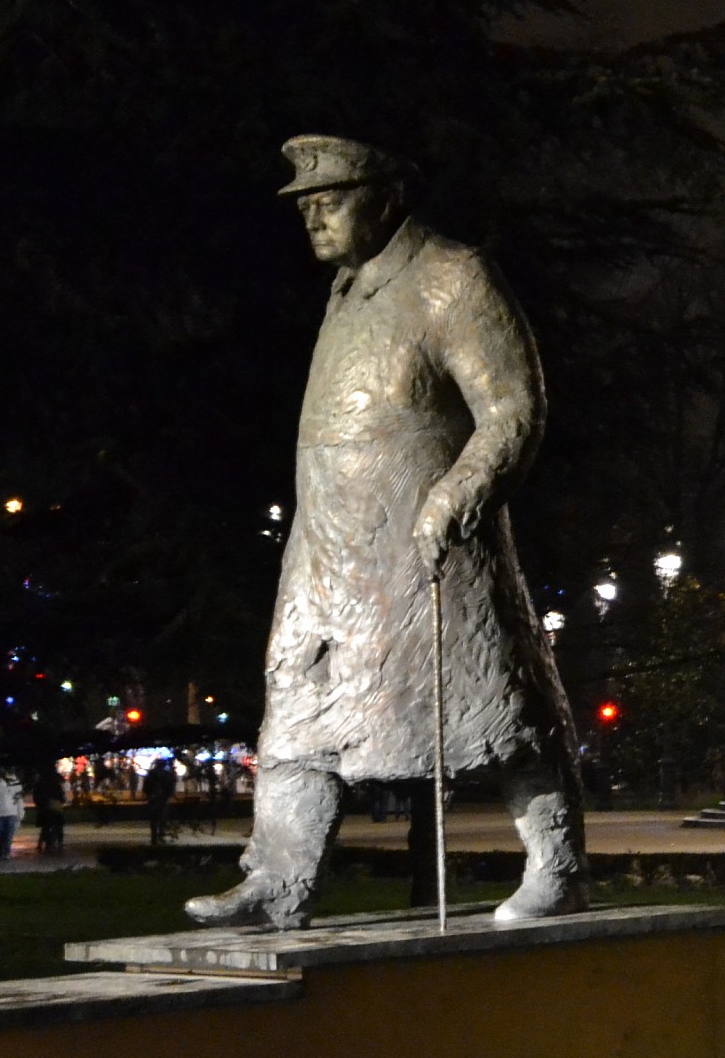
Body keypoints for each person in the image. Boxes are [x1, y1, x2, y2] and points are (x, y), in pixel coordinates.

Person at [185, 136, 585, 930]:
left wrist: (458, 496)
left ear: (386, 196)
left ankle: (558, 864)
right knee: (297, 711)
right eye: (304, 205)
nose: (313, 217)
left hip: (426, 541)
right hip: (328, 552)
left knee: (497, 704)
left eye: (329, 200)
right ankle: (278, 878)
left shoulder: (452, 277)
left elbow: (514, 407)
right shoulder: (346, 292)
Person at [0, 770, 24, 860]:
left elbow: (19, 798)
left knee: (9, 834)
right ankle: (0, 851)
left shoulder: (15, 782)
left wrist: (20, 813)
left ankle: (6, 853)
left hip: (12, 812)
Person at [145, 755, 179, 846]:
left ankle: (154, 837)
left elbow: (146, 786)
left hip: (153, 798)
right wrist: (168, 795)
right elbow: (171, 787)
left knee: (153, 818)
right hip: (163, 798)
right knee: (162, 817)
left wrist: (148, 795)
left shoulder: (151, 774)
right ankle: (161, 835)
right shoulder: (167, 775)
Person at [34, 764, 67, 856]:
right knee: (58, 826)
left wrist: (40, 804)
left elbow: (36, 795)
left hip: (44, 806)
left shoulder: (40, 781)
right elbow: (61, 794)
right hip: (55, 805)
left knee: (46, 826)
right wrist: (61, 801)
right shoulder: (56, 780)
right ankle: (59, 844)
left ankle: (41, 844)